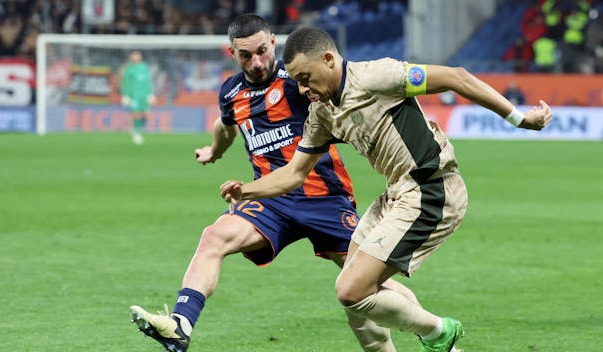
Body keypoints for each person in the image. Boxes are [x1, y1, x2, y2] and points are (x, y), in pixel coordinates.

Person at [221, 26, 553, 352]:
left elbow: (457, 77)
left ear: (328, 60)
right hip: (396, 194)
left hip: (431, 190)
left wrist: (519, 119)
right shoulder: (322, 114)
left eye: (306, 78)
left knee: (350, 290)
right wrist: (246, 191)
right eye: (297, 82)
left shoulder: (376, 77)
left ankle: (439, 332)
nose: (303, 89)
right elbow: (294, 174)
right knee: (355, 300)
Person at [129, 14, 418, 352]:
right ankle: (180, 324)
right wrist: (214, 150)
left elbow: (343, 96)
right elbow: (226, 126)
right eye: (245, 56)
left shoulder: (299, 78)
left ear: (272, 43)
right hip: (270, 200)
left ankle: (435, 334)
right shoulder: (231, 92)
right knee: (214, 236)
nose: (256, 62)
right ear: (231, 53)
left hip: (324, 197)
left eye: (262, 51)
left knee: (364, 284)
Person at [121, 50, 155, 145]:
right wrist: (125, 95)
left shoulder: (144, 67)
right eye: (134, 56)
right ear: (131, 57)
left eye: (138, 55)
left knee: (145, 115)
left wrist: (150, 94)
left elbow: (147, 81)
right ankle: (136, 133)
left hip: (144, 95)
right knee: (136, 114)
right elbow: (126, 83)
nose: (136, 57)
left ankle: (136, 128)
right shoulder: (129, 69)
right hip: (133, 95)